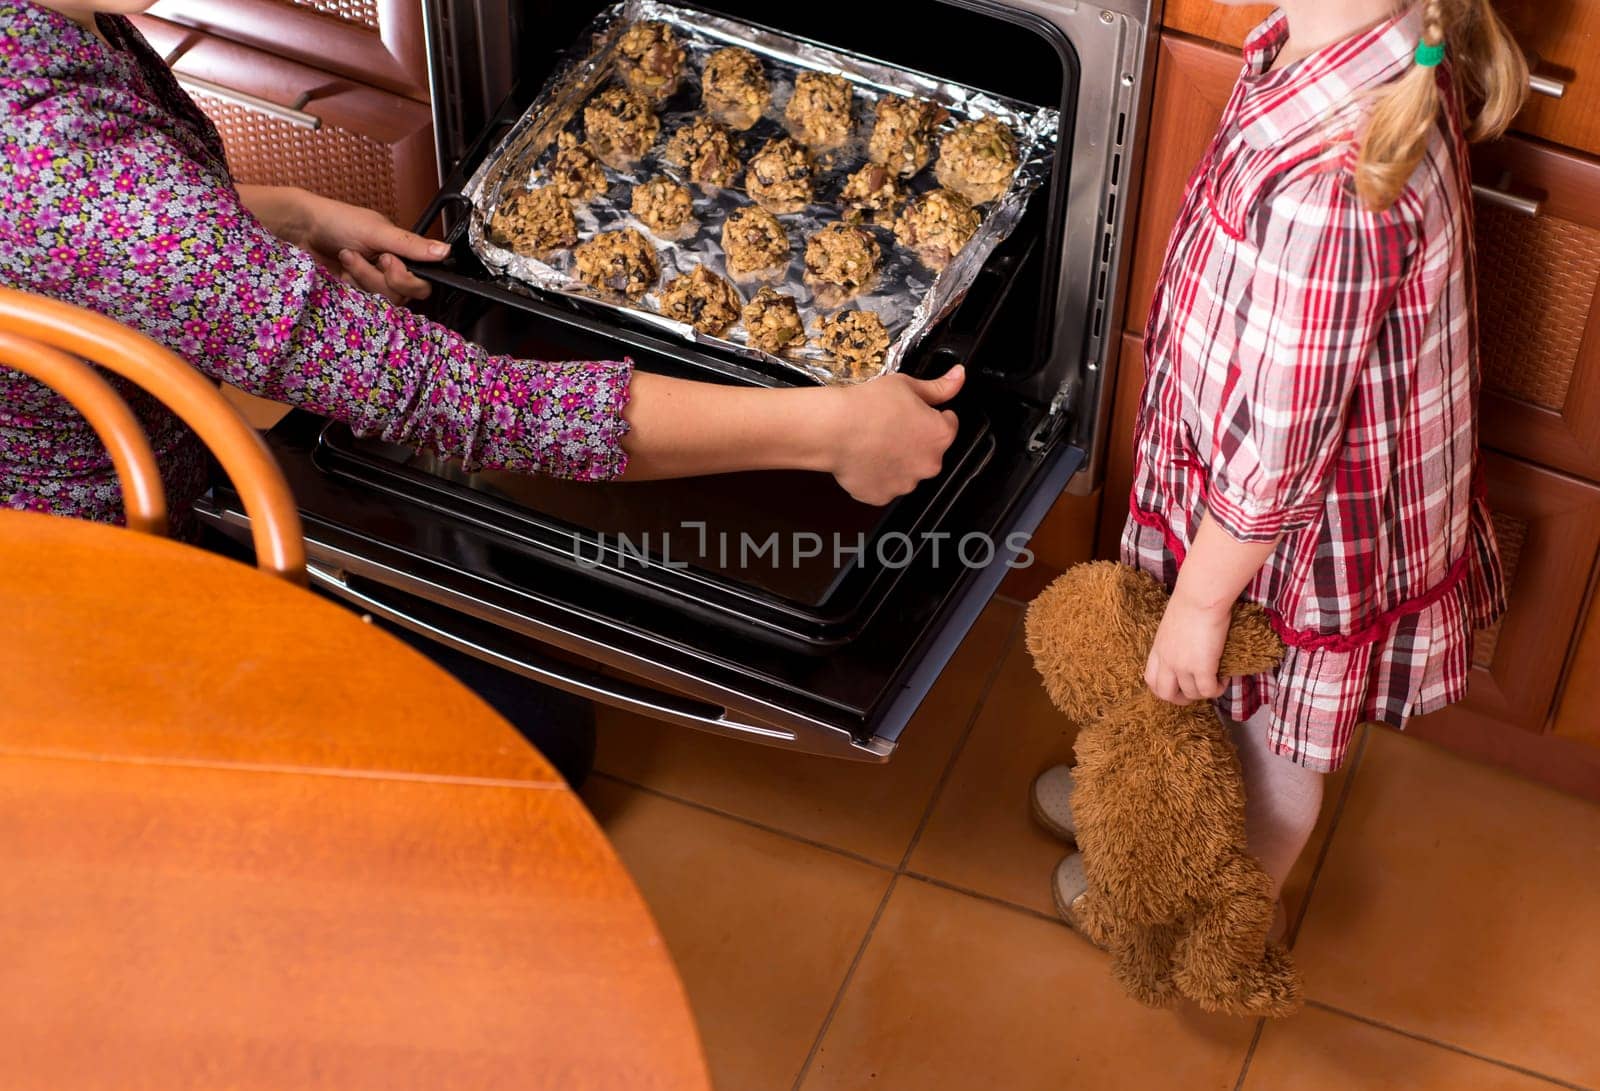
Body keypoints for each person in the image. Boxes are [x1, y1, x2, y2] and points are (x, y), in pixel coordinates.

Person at [0, 1, 964, 783]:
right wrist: (824, 427)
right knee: (533, 743)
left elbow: (106, 227)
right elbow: (463, 401)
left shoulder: (65, 28)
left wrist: (272, 215)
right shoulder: (69, 167)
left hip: (131, 466)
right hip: (90, 577)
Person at [1032, 0, 1523, 940]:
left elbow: (1286, 443)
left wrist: (1204, 599)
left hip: (1298, 534)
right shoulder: (1334, 43)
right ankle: (1151, 817)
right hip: (1250, 492)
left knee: (1272, 740)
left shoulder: (1339, 182)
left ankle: (1214, 910)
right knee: (1203, 686)